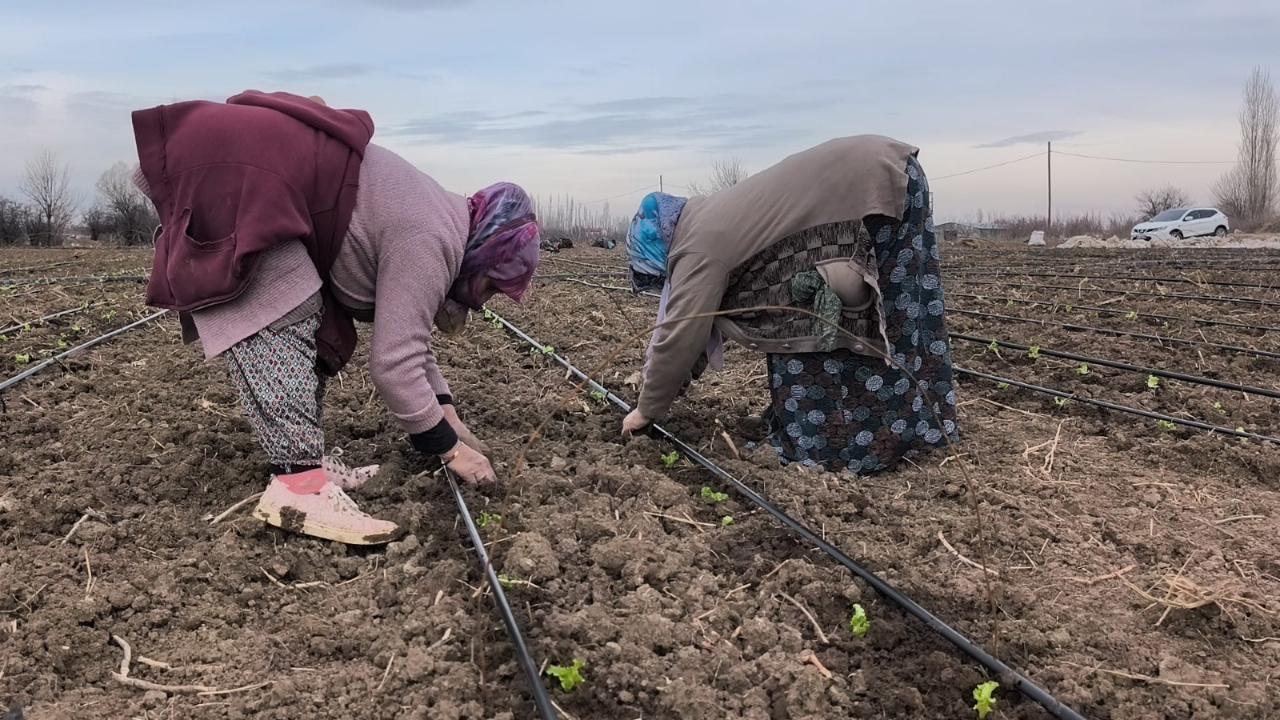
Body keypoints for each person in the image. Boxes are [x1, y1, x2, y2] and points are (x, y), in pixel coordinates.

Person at [132, 91, 540, 544]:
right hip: (239, 180)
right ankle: (298, 488)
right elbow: (394, 364)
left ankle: (306, 460)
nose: (482, 302)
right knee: (284, 313)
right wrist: (450, 451)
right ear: (484, 254)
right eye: (489, 286)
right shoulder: (433, 240)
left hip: (242, 169)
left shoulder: (442, 219)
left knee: (310, 320)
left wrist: (448, 416)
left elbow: (412, 338)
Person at [621, 135, 958, 474]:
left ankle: (840, 449)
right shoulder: (702, 218)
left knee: (808, 327)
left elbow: (683, 332)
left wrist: (647, 410)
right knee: (903, 313)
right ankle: (923, 429)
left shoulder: (696, 247)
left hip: (866, 187)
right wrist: (669, 389)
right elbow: (696, 331)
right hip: (891, 172)